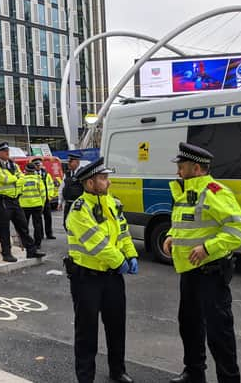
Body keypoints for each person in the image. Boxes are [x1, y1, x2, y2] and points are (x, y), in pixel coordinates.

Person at [162, 142, 241, 383]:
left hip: (211, 273)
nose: (178, 171)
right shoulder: (186, 190)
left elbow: (236, 229)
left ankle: (229, 379)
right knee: (189, 326)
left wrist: (208, 248)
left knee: (219, 333)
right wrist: (171, 235)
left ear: (196, 168)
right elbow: (186, 223)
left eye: (182, 166)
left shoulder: (214, 191)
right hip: (189, 272)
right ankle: (194, 372)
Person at [64, 157, 138, 383]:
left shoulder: (112, 204)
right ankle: (85, 377)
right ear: (89, 183)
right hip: (87, 278)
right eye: (103, 178)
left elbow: (123, 232)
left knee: (117, 326)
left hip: (112, 277)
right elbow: (97, 243)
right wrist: (119, 261)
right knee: (87, 332)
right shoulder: (79, 210)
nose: (108, 182)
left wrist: (131, 254)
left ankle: (118, 371)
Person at [0, 142, 45, 262]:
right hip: (3, 201)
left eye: (8, 150)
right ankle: (6, 253)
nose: (7, 153)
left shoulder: (14, 165)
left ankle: (31, 251)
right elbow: (5, 179)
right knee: (4, 229)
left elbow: (22, 178)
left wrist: (15, 179)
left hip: (15, 200)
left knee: (23, 225)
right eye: (5, 151)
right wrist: (16, 179)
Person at [20, 162, 46, 250]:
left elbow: (18, 193)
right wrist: (42, 204)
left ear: (26, 171)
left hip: (24, 206)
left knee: (24, 226)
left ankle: (26, 243)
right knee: (37, 226)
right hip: (37, 205)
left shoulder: (22, 180)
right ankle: (37, 244)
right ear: (34, 171)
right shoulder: (38, 179)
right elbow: (43, 194)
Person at [32, 157, 58, 240]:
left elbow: (51, 185)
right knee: (38, 219)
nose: (38, 166)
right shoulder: (32, 175)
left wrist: (50, 196)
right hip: (37, 200)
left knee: (48, 217)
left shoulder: (46, 174)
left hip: (46, 199)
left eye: (39, 164)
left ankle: (49, 233)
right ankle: (40, 235)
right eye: (36, 165)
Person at [59, 153, 84, 228]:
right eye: (68, 162)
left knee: (78, 224)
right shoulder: (67, 173)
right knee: (66, 224)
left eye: (70, 162)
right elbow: (62, 187)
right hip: (68, 203)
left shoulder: (82, 172)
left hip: (78, 204)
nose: (68, 164)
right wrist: (60, 202)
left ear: (77, 162)